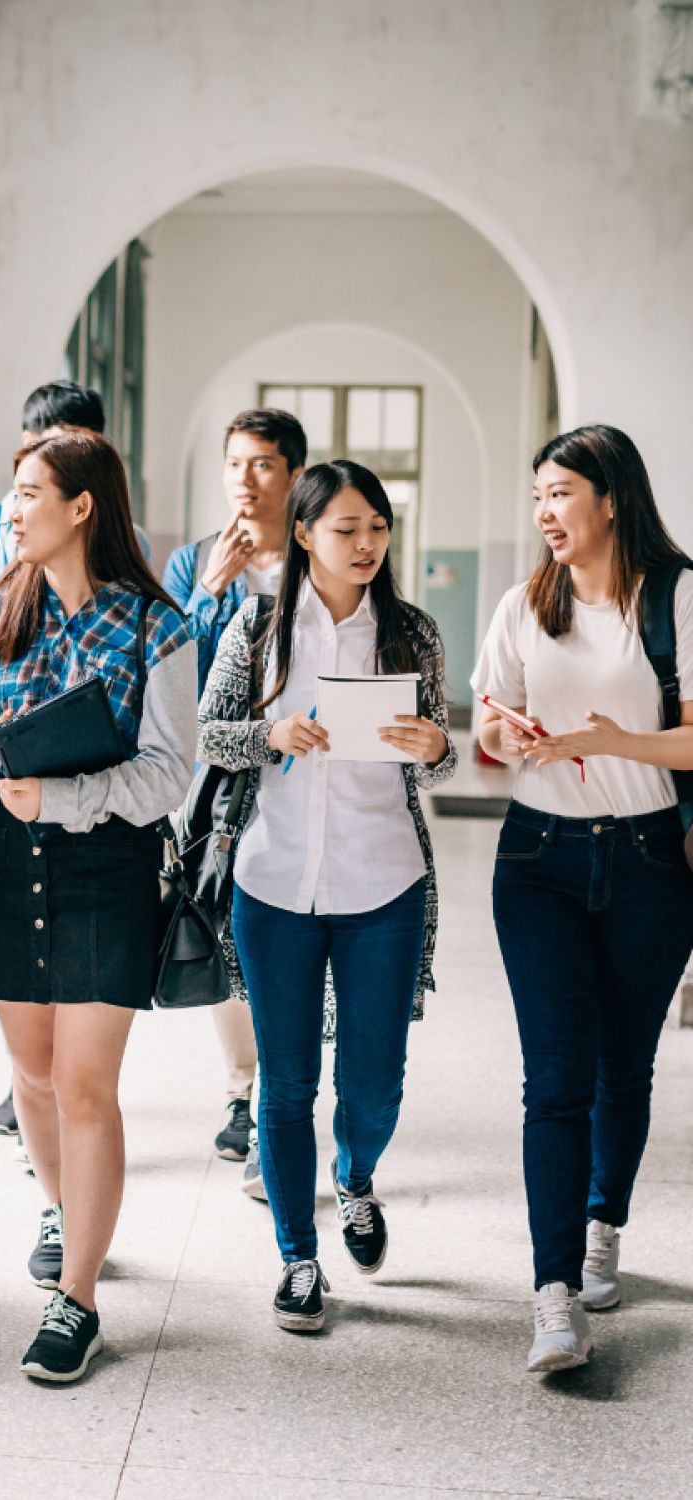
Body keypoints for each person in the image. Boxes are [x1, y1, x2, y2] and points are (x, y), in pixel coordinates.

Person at [0, 431, 196, 1382]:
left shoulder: (154, 625)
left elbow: (169, 774)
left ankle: (76, 1299)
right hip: (11, 857)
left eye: (26, 493)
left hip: (107, 865)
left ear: (81, 505)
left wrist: (64, 797)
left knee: (87, 1086)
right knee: (35, 1080)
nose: (10, 511)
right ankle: (62, 1213)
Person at [197, 459, 455, 1333]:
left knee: (376, 1080)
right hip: (273, 883)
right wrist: (268, 733)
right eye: (347, 530)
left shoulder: (412, 633)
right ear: (304, 535)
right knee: (286, 1082)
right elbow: (209, 734)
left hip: (385, 882)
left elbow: (446, 753)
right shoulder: (258, 630)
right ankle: (297, 1259)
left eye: (378, 528)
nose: (367, 545)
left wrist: (430, 748)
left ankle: (356, 1178)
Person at [472, 424, 693, 1374]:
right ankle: (554, 1294)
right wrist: (509, 733)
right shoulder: (527, 602)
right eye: (536, 498)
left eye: (560, 493)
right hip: (539, 861)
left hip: (650, 862)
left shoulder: (678, 598)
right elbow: (486, 715)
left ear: (611, 498)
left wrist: (611, 742)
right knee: (556, 1077)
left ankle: (605, 1223)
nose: (545, 513)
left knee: (623, 1068)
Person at [0, 379, 150, 1143]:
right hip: (5, 794)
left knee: (82, 1075)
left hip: (104, 826)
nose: (20, 504)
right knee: (31, 1038)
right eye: (23, 478)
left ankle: (61, 1100)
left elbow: (161, 757)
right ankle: (33, 1087)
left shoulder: (143, 604)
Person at [164, 408, 305, 1180]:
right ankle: (243, 1090)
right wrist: (211, 589)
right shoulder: (193, 561)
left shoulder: (321, 556)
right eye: (234, 465)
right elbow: (166, 669)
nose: (245, 482)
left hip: (301, 770)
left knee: (289, 936)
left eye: (261, 465)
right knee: (225, 929)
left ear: (292, 475)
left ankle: (284, 1090)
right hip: (218, 781)